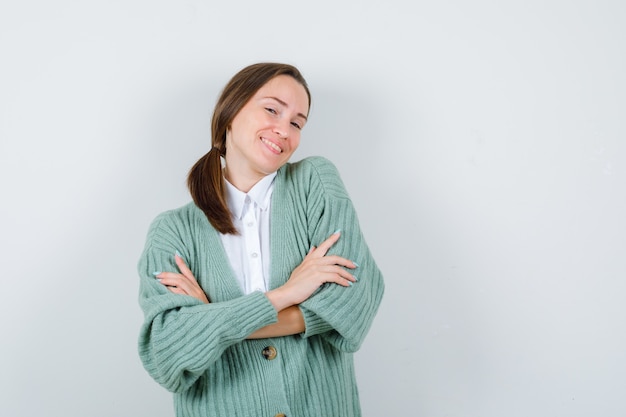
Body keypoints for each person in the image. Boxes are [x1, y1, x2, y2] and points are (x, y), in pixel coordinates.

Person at [137, 62, 384, 417]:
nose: (284, 130)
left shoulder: (314, 182)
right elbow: (166, 353)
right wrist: (285, 295)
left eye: (297, 123)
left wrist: (209, 319)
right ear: (231, 112)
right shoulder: (173, 231)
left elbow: (353, 302)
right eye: (272, 110)